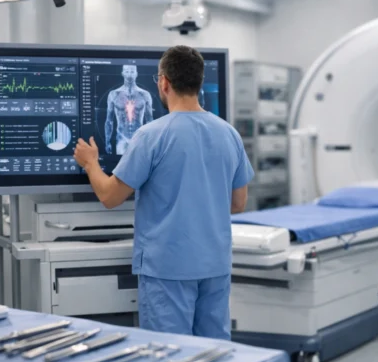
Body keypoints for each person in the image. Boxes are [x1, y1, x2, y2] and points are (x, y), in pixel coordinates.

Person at [73, 45, 254, 340]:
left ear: (163, 82)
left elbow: (110, 196)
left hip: (168, 268)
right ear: (197, 82)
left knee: (170, 356)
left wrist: (91, 163)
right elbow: (238, 203)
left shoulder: (151, 135)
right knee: (216, 354)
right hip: (214, 266)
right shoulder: (228, 133)